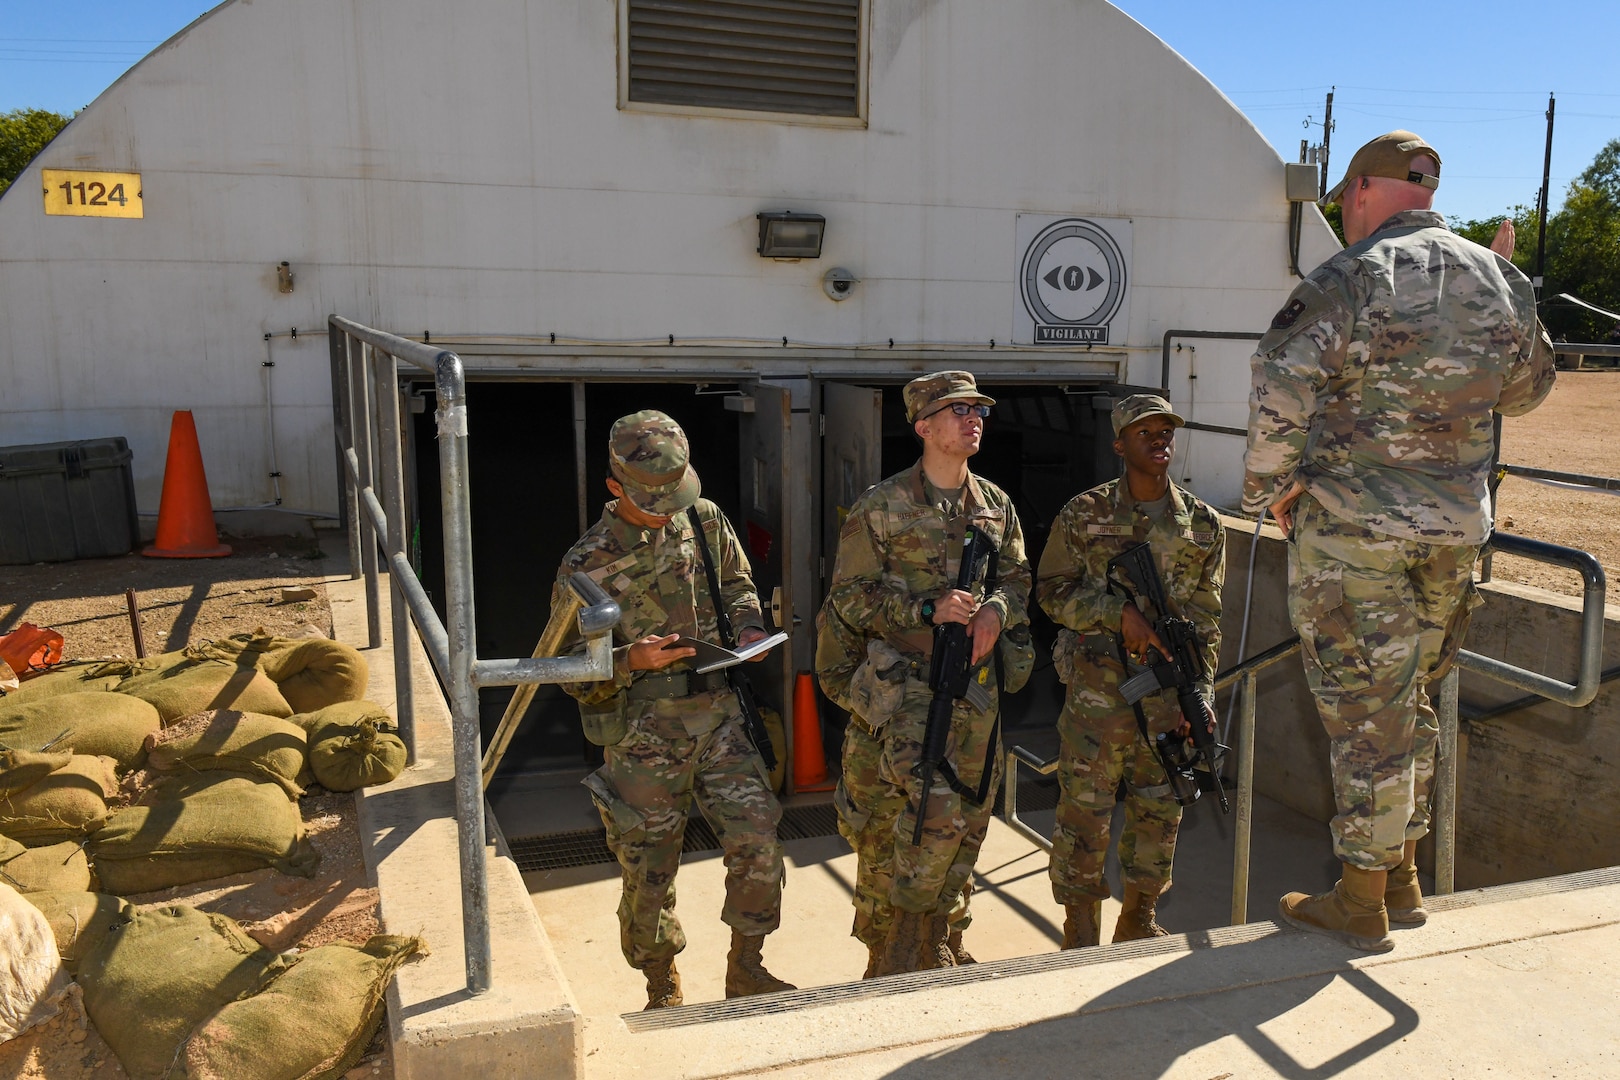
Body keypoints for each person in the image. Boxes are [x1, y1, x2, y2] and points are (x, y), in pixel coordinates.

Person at [1243, 130, 1557, 951]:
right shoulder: (1498, 277)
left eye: (1344, 199)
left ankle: (1360, 898)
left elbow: (1280, 383)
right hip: (1454, 538)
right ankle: (1404, 876)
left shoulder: (1348, 277)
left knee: (1363, 717)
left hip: (1356, 538)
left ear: (1360, 191)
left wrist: (1268, 489)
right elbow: (1529, 392)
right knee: (1409, 703)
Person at [551, 409, 793, 1008]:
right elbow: (562, 668)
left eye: (674, 492)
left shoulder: (703, 520)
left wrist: (747, 629)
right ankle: (661, 983)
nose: (667, 507)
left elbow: (738, 585)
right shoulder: (585, 565)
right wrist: (632, 661)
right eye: (651, 497)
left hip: (719, 717)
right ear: (615, 487)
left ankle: (747, 967)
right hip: (643, 734)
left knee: (759, 837)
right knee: (649, 869)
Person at [822, 370, 1031, 976]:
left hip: (974, 689)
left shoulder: (996, 506)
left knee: (968, 815)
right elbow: (849, 598)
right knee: (900, 821)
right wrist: (922, 608)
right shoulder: (881, 507)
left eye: (979, 411)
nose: (974, 421)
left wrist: (996, 608)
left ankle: (944, 933)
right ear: (923, 427)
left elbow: (1017, 578)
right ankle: (887, 948)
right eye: (958, 411)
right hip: (900, 688)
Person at [1036, 394, 1224, 948]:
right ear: (1119, 444)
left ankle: (1139, 918)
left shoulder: (1205, 525)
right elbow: (1050, 591)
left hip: (1169, 698)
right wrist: (1115, 614)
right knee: (1083, 816)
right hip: (1099, 695)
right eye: (1145, 432)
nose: (1159, 438)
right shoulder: (1084, 513)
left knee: (1161, 809)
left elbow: (1209, 620)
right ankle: (1079, 930)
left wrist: (1203, 697)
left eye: (1166, 430)